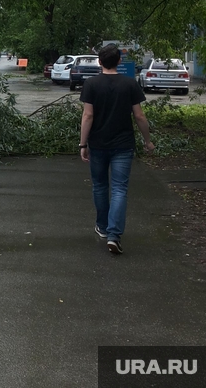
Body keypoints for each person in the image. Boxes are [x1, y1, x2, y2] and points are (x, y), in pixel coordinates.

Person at [79, 43, 154, 255]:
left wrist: (83, 144)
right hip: (123, 145)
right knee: (120, 188)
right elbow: (139, 116)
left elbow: (88, 116)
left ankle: (102, 227)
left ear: (100, 62)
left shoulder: (91, 84)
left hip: (98, 144)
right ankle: (114, 235)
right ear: (119, 61)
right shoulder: (129, 84)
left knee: (100, 186)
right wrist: (147, 140)